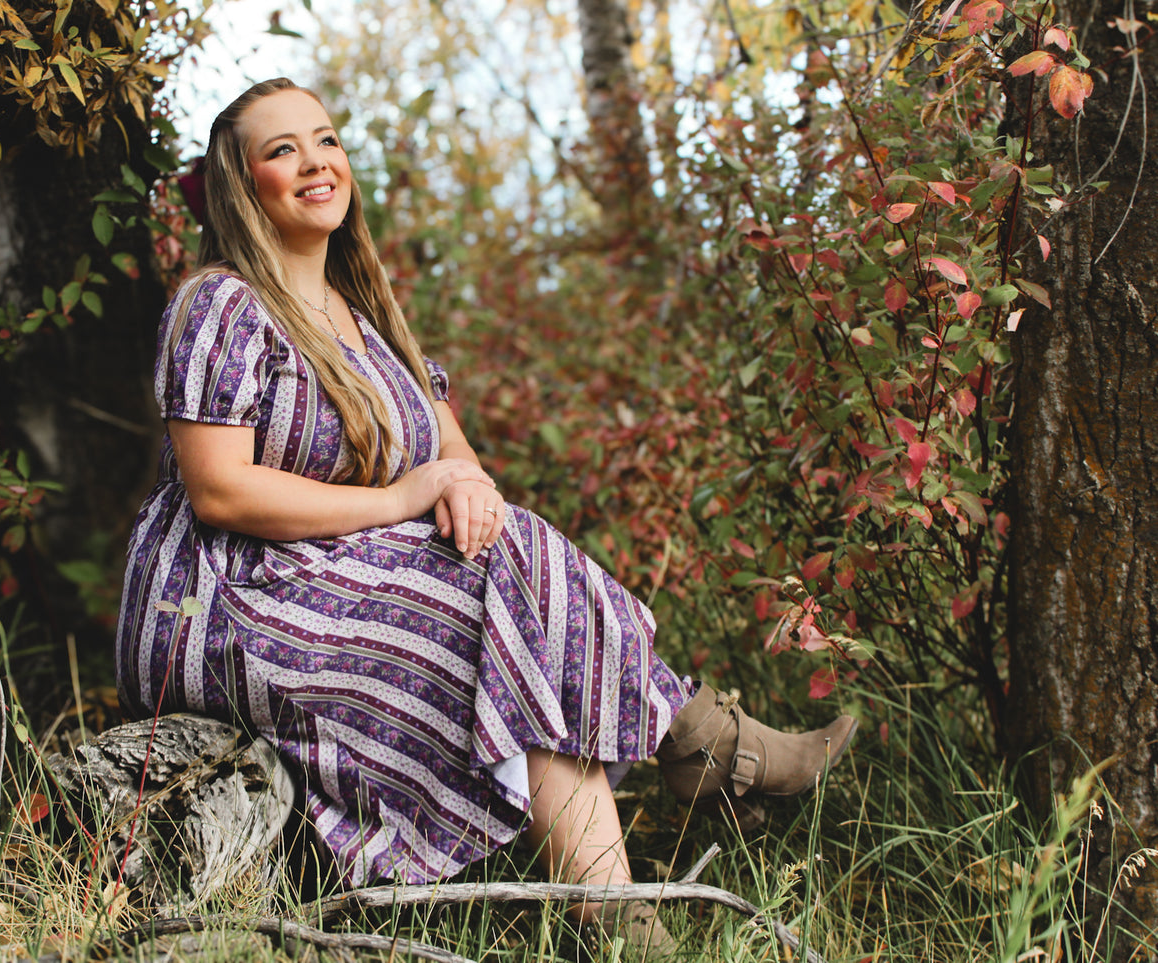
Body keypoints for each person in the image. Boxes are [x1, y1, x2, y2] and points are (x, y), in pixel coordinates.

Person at [116, 77, 857, 955]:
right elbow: (219, 491)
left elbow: (453, 452)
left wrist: (467, 486)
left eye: (326, 140)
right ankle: (695, 759)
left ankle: (622, 915)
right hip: (230, 598)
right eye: (282, 150)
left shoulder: (366, 319)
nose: (315, 162)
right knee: (496, 620)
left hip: (350, 574)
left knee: (516, 587)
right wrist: (401, 497)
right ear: (242, 185)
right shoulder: (221, 302)